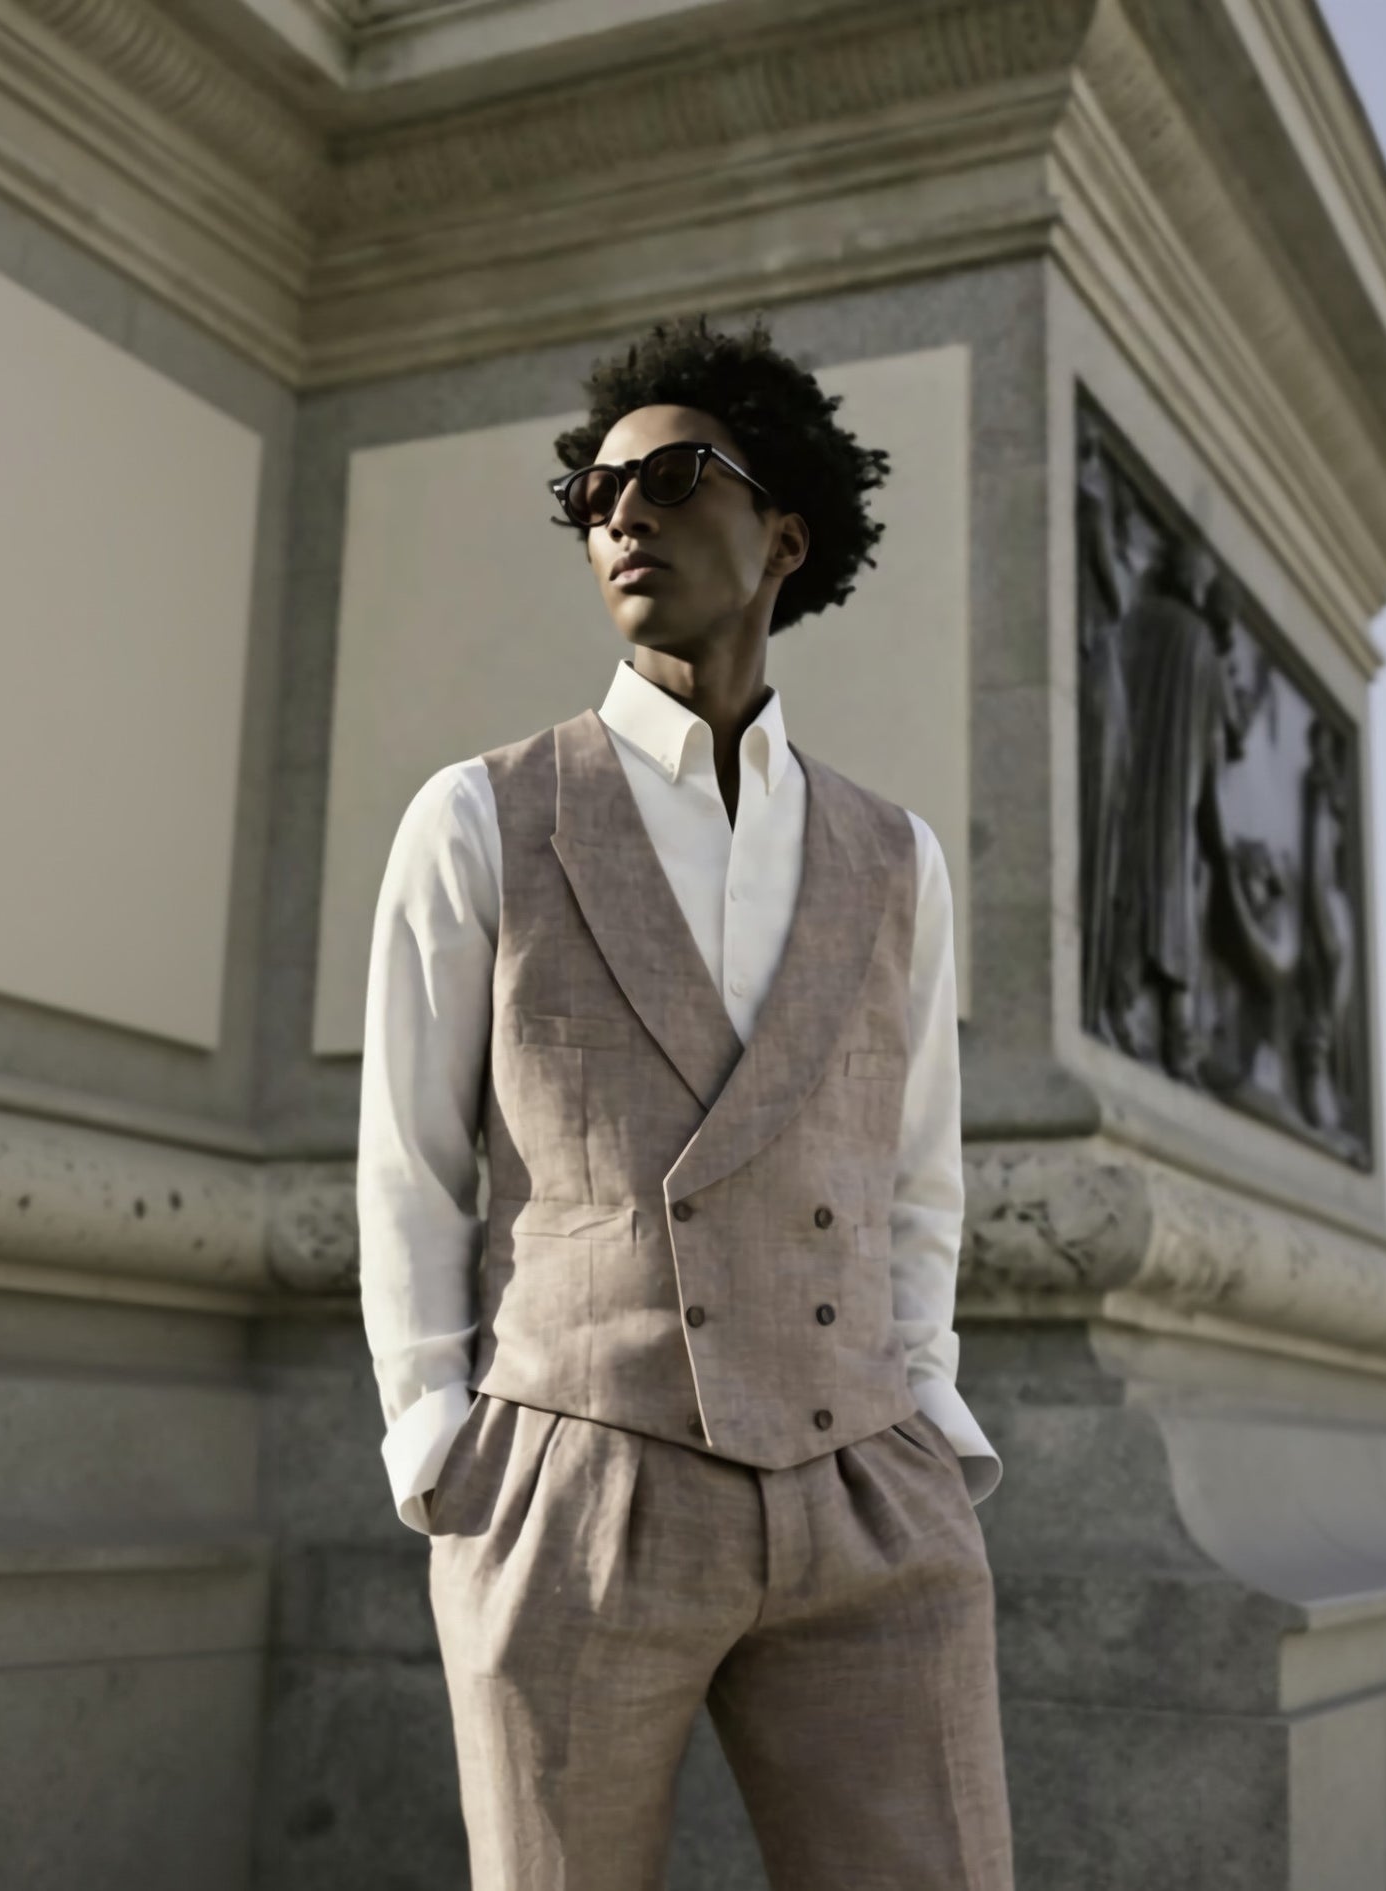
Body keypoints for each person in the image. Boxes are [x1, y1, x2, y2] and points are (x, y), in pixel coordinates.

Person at [356, 311, 1015, 1890]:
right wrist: (439, 1442)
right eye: (595, 494)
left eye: (672, 476)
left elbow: (918, 1167)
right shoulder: (481, 817)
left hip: (866, 1484)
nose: (624, 514)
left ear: (783, 532)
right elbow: (408, 1166)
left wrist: (922, 1408)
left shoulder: (892, 854)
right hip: (573, 1482)